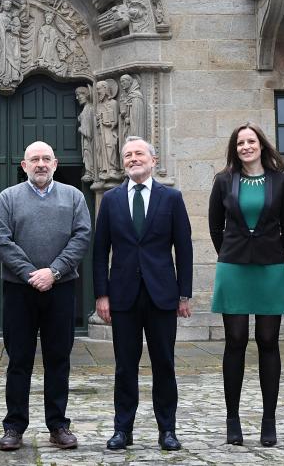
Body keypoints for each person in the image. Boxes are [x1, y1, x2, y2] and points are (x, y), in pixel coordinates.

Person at [93, 135, 193, 452]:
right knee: (125, 366)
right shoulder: (110, 200)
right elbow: (99, 252)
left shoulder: (171, 198)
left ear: (153, 159)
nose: (133, 159)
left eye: (139, 154)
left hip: (162, 294)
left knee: (164, 363)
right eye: (128, 155)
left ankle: (167, 431)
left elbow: (185, 248)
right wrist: (102, 295)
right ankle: (123, 430)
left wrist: (184, 294)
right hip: (123, 296)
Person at [0, 141, 91, 451]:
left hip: (60, 290)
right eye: (34, 159)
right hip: (20, 291)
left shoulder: (74, 197)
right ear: (24, 166)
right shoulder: (8, 198)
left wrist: (55, 272)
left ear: (56, 163)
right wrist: (31, 274)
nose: (40, 164)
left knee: (58, 359)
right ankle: (14, 427)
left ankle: (58, 425)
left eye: (46, 158)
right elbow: (1, 239)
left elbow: (82, 236)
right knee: (18, 360)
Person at [208, 123, 284, 447]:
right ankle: (233, 419)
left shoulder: (280, 181)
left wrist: (272, 254)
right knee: (235, 340)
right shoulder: (223, 180)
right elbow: (215, 226)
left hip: (270, 267)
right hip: (233, 267)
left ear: (262, 145)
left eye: (251, 141)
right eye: (241, 142)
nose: (246, 146)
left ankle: (268, 421)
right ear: (235, 148)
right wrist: (234, 254)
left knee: (268, 340)